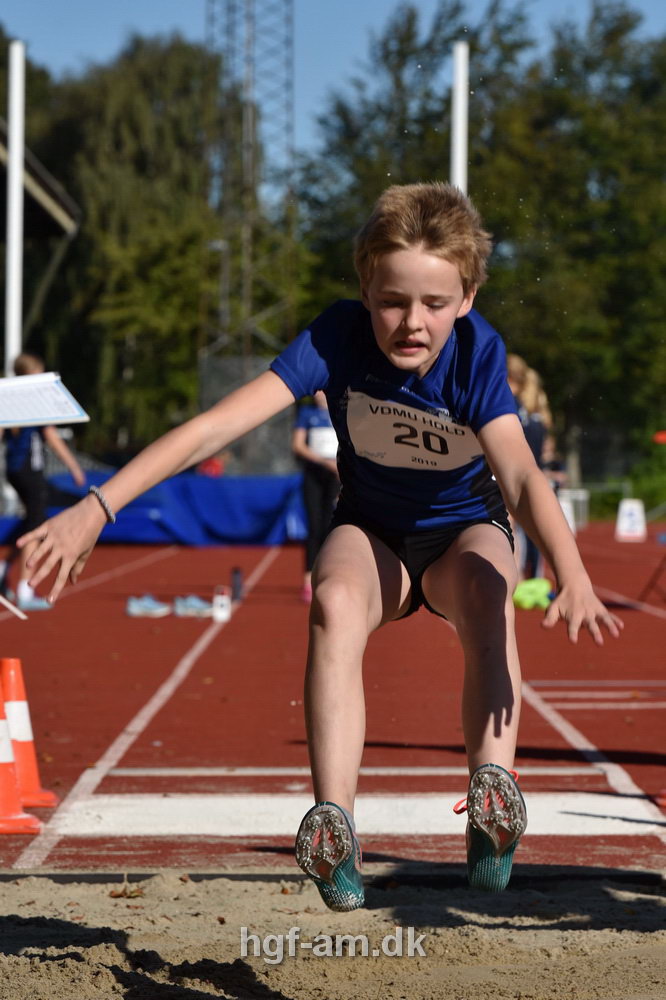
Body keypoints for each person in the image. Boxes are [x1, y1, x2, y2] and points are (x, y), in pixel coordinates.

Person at [17, 182, 622, 910]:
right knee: (333, 601)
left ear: (466, 299)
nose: (411, 323)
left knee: (489, 590)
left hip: (464, 533)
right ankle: (333, 824)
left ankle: (493, 797)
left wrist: (572, 569)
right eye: (394, 301)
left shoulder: (476, 355)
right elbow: (215, 428)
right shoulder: (335, 337)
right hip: (374, 536)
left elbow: (519, 471)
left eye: (435, 304)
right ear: (366, 285)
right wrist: (97, 506)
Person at [1, 352, 86, 610]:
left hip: (14, 469)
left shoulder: (9, 399)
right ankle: (26, 587)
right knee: (36, 523)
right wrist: (73, 466)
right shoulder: (33, 400)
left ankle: (5, 566)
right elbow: (50, 434)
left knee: (32, 521)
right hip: (29, 469)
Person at [291, 391, 339, 602]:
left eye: (323, 390)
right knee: (314, 526)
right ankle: (308, 580)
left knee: (332, 525)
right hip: (314, 474)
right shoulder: (307, 414)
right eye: (316, 391)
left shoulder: (341, 412)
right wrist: (323, 461)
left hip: (337, 475)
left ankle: (331, 577)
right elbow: (298, 445)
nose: (319, 394)